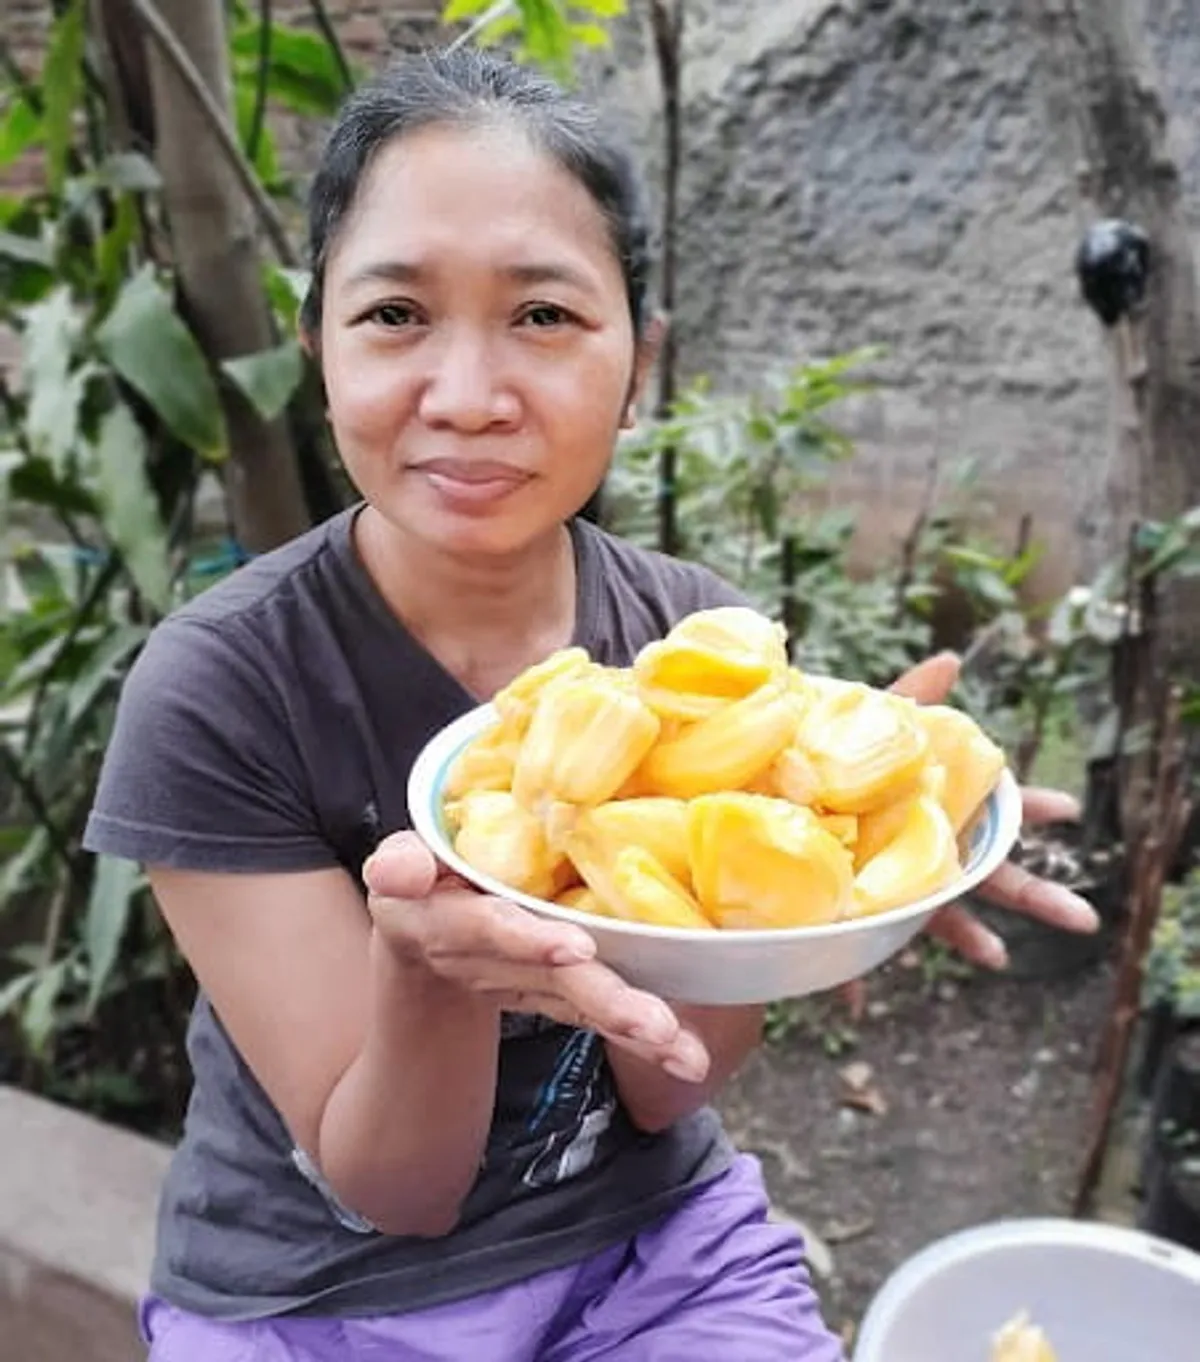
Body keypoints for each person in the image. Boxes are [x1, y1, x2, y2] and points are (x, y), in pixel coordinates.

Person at [84, 47, 1099, 1362]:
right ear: (315, 341)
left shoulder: (698, 649)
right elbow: (398, 1191)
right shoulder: (225, 687)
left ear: (639, 366)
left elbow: (673, 1085)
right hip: (318, 1296)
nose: (467, 397)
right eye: (394, 313)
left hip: (655, 1250)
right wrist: (429, 971)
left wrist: (833, 875)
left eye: (544, 315)